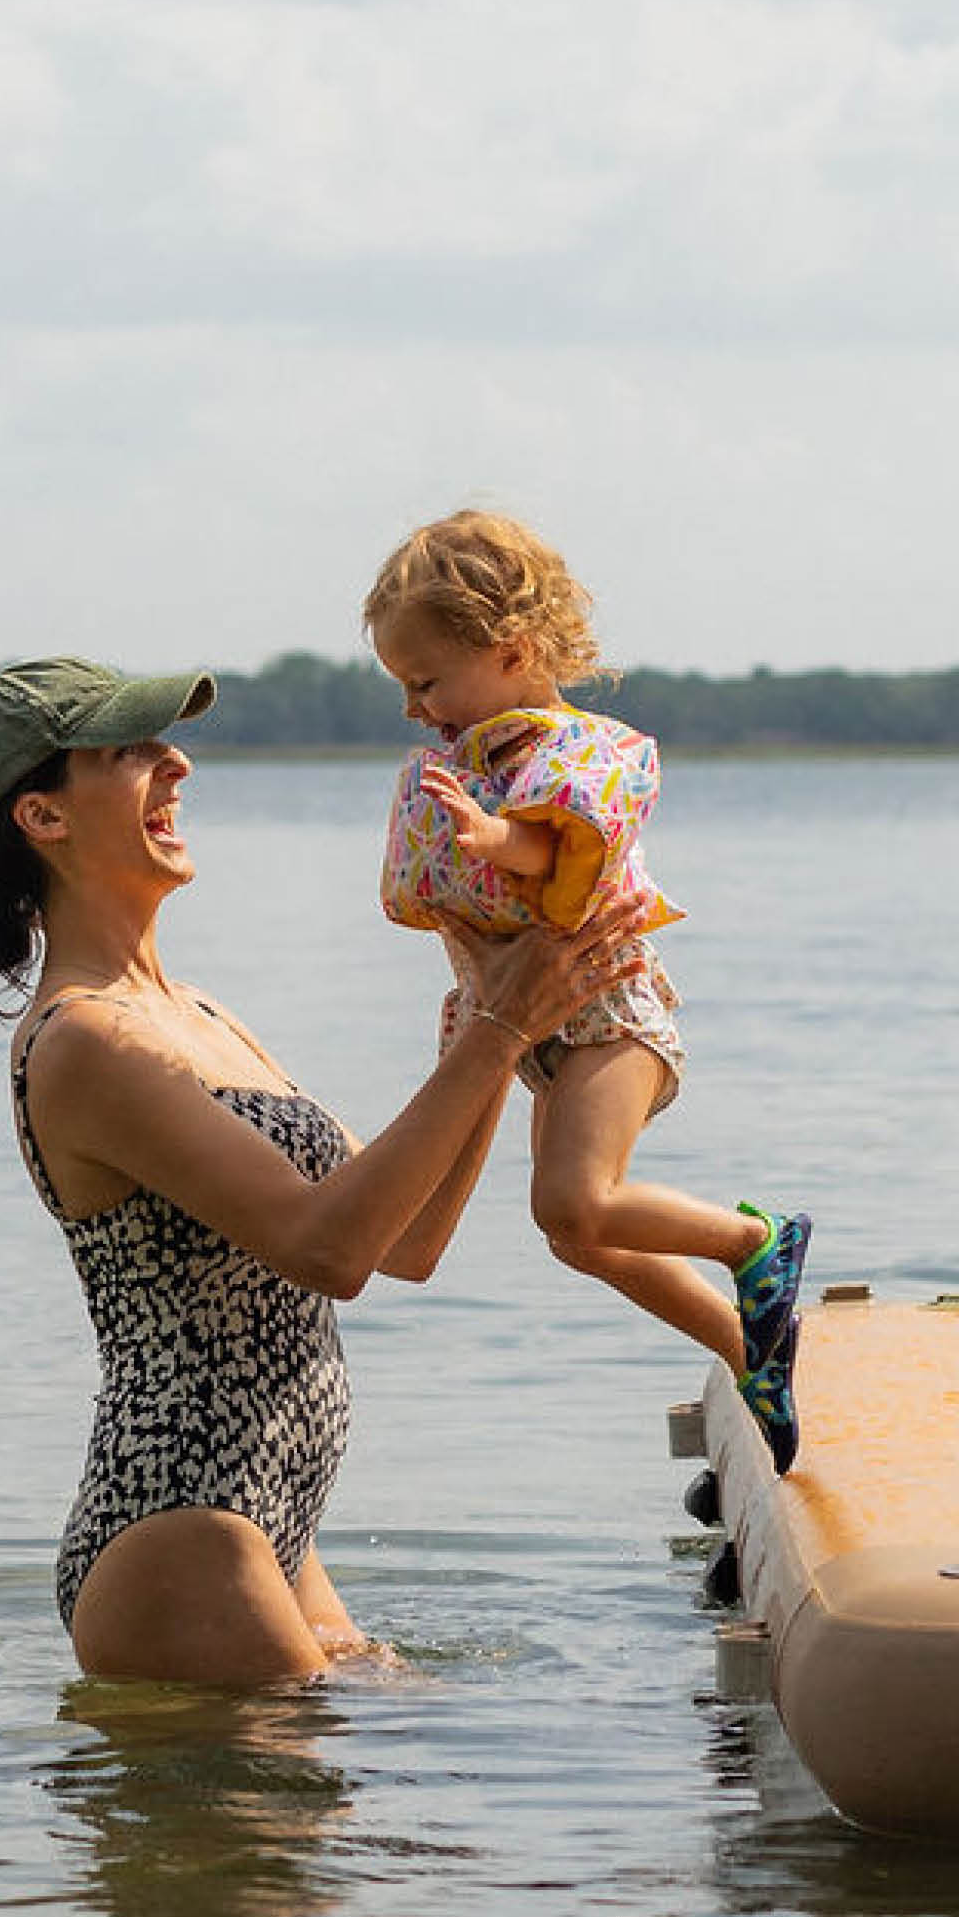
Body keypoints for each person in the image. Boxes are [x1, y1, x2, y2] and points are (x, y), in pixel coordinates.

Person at [0, 651, 656, 1691]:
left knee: (392, 1806)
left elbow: (404, 1242)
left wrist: (493, 1009)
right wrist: (498, 1029)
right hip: (181, 1535)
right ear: (43, 817)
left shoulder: (199, 1017)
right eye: (131, 751)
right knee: (332, 1833)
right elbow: (329, 1250)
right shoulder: (83, 1039)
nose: (176, 764)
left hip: (271, 1526)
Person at [364, 510, 811, 1460]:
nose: (413, 708)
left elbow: (558, 840)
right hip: (548, 1033)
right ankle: (752, 1354)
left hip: (610, 1017)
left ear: (511, 650)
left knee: (574, 1204)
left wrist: (487, 838)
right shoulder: (473, 760)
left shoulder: (574, 751)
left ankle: (754, 1242)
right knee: (574, 1235)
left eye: (425, 681)